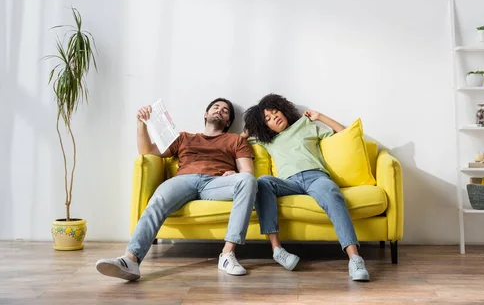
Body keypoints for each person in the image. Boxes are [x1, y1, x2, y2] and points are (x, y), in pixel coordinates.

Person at [95, 98, 257, 281]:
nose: (219, 111)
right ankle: (131, 259)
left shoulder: (235, 140)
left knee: (248, 181)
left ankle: (227, 255)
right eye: (216, 107)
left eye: (225, 111)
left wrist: (233, 174)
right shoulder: (183, 137)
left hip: (216, 182)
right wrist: (141, 123)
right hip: (183, 180)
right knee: (158, 200)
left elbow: (248, 172)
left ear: (228, 122)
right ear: (206, 114)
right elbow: (146, 150)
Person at [242, 93, 370, 281]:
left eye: (275, 111)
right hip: (289, 182)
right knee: (262, 182)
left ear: (283, 109)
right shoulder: (267, 140)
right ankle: (277, 250)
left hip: (315, 177)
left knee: (332, 193)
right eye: (267, 119)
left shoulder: (305, 124)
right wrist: (247, 131)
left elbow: (345, 134)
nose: (274, 117)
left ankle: (355, 259)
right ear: (264, 127)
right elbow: (236, 143)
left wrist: (320, 117)